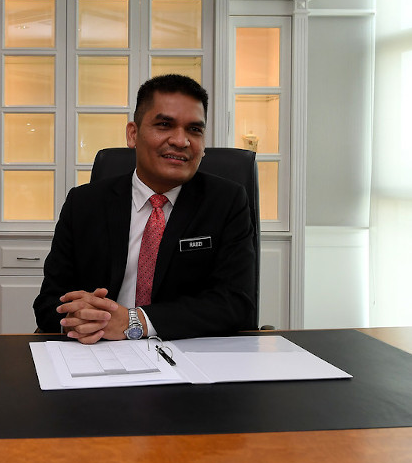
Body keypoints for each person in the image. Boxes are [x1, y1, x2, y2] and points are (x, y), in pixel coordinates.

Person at [33, 74, 256, 344]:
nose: (181, 140)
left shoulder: (227, 201)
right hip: (97, 350)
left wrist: (136, 321)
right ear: (133, 134)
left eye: (194, 130)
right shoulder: (83, 203)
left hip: (185, 353)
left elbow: (236, 304)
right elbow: (49, 302)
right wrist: (82, 318)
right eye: (165, 125)